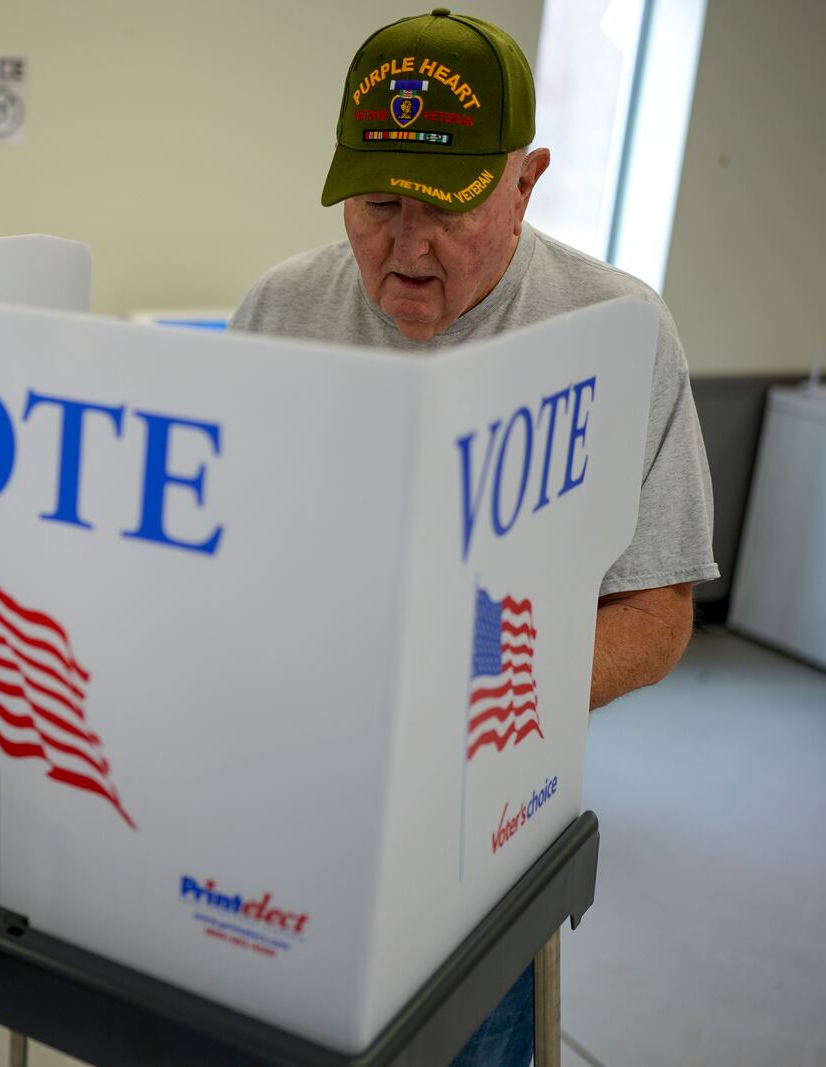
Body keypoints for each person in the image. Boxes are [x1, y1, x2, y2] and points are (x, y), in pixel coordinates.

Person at [229, 9, 718, 1065]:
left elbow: (658, 611)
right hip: (284, 795)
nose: (405, 250)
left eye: (444, 211)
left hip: (482, 820)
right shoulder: (280, 307)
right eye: (377, 204)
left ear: (523, 181)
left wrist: (451, 711)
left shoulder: (611, 334)